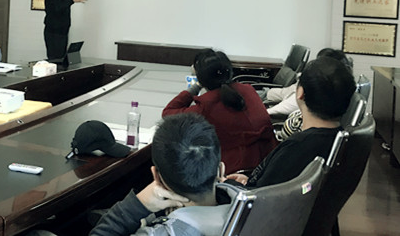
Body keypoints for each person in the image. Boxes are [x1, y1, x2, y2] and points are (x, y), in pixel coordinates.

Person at [90, 113, 242, 236]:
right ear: (220, 170)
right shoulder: (250, 207)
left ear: (156, 177)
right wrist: (232, 185)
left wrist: (138, 205)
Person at [227, 56, 356, 188]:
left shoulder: (297, 147)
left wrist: (229, 184)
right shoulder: (344, 144)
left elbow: (261, 193)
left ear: (300, 92)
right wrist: (247, 180)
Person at [162, 49, 276, 173]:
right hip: (270, 162)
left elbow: (168, 113)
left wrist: (197, 85)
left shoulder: (206, 106)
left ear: (201, 78)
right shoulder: (248, 90)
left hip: (234, 171)